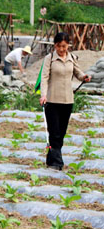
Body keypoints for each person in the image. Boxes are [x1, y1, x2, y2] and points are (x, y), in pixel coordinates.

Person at [40, 32, 91, 170]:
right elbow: (44, 78)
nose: (61, 49)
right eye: (58, 46)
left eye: (64, 46)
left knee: (61, 133)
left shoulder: (72, 58)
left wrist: (84, 77)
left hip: (68, 101)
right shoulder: (49, 58)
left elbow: (78, 73)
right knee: (54, 132)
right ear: (55, 45)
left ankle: (51, 159)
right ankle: (57, 163)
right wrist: (43, 95)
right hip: (52, 100)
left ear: (68, 45)